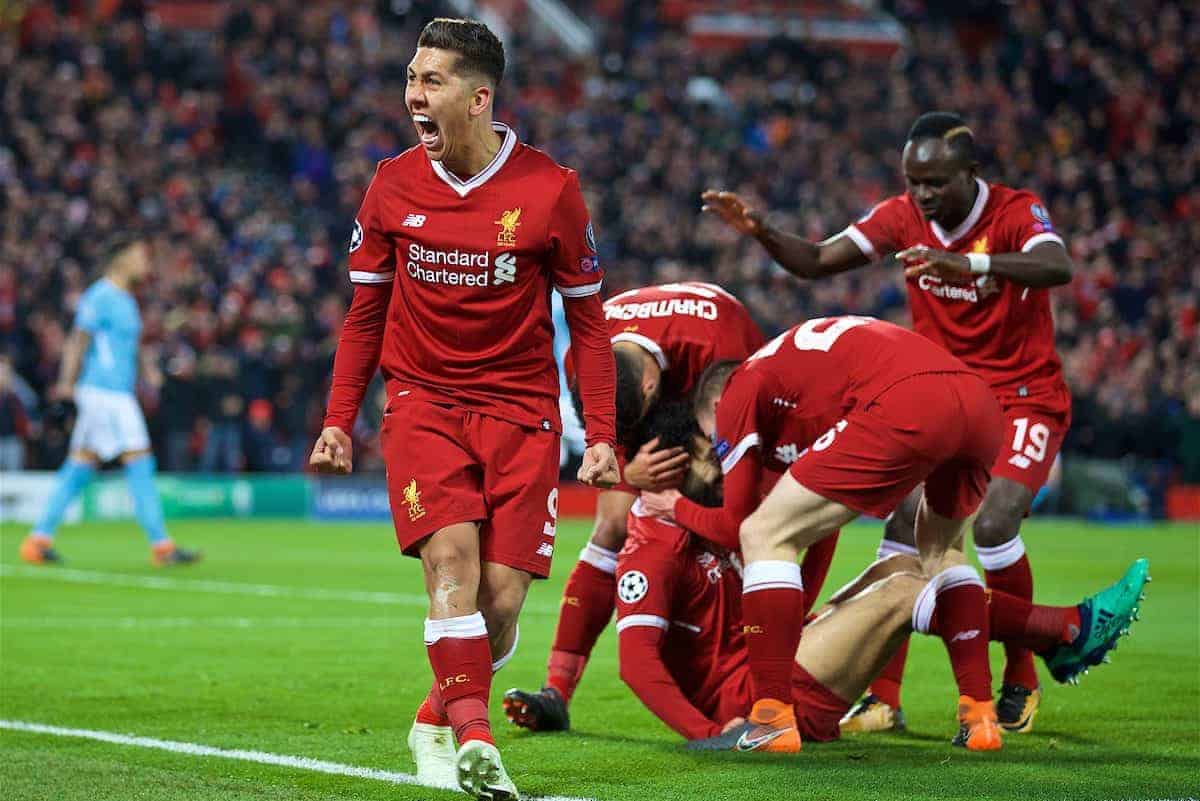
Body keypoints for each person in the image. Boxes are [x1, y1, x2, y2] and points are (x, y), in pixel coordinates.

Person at [307, 18, 618, 801]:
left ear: (479, 98)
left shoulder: (551, 191)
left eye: (432, 81)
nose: (415, 94)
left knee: (501, 605)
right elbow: (365, 315)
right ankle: (476, 740)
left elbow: (588, 320)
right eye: (412, 78)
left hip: (522, 411)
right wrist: (339, 418)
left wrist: (604, 434)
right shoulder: (392, 184)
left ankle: (433, 717)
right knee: (451, 564)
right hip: (423, 403)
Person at [702, 111, 1073, 734]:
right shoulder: (902, 216)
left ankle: (1021, 677)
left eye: (936, 181)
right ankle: (886, 698)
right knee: (906, 533)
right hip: (939, 399)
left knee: (997, 524)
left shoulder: (1014, 212)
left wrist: (976, 268)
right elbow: (819, 260)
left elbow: (1057, 265)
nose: (923, 194)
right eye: (914, 181)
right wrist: (762, 230)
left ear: (971, 173)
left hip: (1022, 395)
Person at [621, 402, 1148, 747]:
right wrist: (709, 733)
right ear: (669, 470)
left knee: (905, 564)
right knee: (902, 591)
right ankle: (1062, 631)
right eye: (704, 461)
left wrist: (806, 614)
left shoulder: (705, 516)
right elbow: (636, 663)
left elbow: (792, 564)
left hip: (772, 666)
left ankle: (1060, 635)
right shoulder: (654, 547)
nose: (720, 469)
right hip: (748, 702)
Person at [643, 315, 1005, 751]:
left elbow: (738, 524)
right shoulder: (796, 387)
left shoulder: (739, 388)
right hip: (977, 400)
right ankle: (980, 717)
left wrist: (676, 507)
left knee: (764, 533)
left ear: (716, 408)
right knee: (941, 550)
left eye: (714, 438)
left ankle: (772, 718)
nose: (721, 451)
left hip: (905, 401)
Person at [504, 282, 764, 732]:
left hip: (718, 379)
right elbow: (609, 442)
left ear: (649, 386)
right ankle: (557, 693)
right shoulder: (583, 358)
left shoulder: (721, 341)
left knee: (743, 525)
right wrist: (630, 475)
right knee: (611, 524)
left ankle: (751, 659)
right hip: (650, 383)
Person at [19, 237, 200, 567]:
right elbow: (78, 341)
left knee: (78, 467)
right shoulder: (99, 296)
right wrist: (65, 384)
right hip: (104, 394)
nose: (144, 264)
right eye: (138, 256)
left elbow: (133, 346)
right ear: (119, 260)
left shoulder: (127, 300)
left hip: (115, 394)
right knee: (140, 462)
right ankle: (162, 547)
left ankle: (37, 540)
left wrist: (149, 373)